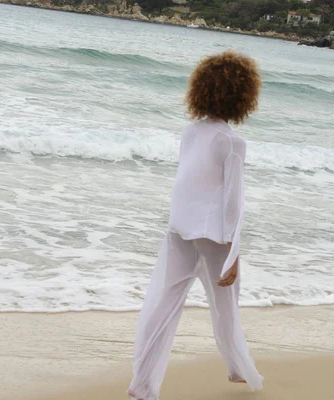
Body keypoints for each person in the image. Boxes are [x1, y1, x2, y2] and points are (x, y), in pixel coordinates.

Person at [127, 51, 264, 400]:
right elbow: (233, 201)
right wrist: (235, 252)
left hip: (179, 228)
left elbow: (187, 182)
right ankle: (239, 369)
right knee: (225, 305)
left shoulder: (191, 132)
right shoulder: (232, 141)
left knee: (161, 305)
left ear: (201, 89)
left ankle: (142, 386)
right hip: (214, 236)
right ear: (243, 97)